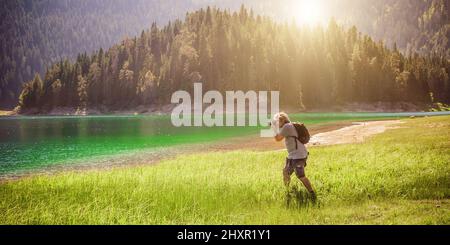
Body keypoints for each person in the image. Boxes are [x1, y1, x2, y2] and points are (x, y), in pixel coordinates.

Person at [273, 112, 316, 197]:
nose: (277, 123)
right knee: (286, 172)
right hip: (293, 155)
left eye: (278, 121)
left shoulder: (287, 126)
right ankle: (287, 192)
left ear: (282, 120)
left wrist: (273, 128)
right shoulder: (288, 126)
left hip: (298, 155)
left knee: (301, 176)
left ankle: (312, 193)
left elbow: (278, 138)